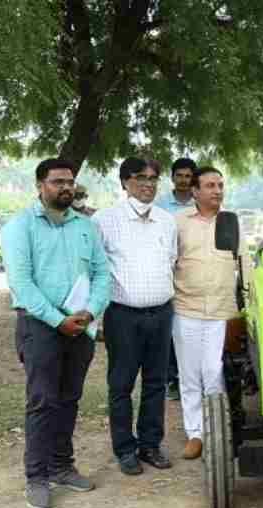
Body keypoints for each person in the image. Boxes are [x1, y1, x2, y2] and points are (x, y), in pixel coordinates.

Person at [0, 158, 111, 508]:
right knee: (42, 401)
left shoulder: (85, 226)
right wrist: (56, 320)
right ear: (40, 186)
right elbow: (21, 283)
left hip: (80, 325)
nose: (66, 187)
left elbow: (102, 274)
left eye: (70, 181)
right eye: (57, 181)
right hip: (39, 326)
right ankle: (36, 476)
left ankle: (62, 466)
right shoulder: (20, 227)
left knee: (69, 398)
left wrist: (90, 311)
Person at [93, 157, 177, 475]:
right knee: (121, 384)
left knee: (156, 383)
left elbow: (170, 260)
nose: (148, 184)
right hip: (123, 316)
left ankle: (150, 445)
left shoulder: (166, 221)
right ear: (125, 182)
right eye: (141, 177)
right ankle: (124, 449)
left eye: (154, 178)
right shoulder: (104, 221)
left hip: (161, 314)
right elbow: (96, 270)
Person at [173, 166, 250, 459]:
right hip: (186, 309)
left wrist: (247, 305)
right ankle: (195, 434)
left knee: (215, 371)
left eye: (220, 185)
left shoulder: (231, 222)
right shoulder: (178, 222)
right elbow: (169, 261)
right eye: (210, 186)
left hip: (223, 311)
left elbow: (244, 265)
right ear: (194, 191)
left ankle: (217, 432)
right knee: (190, 374)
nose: (217, 191)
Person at [156, 157, 198, 401]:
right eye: (179, 176)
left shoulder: (200, 204)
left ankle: (191, 378)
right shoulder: (161, 205)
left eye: (188, 176)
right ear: (172, 178)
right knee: (170, 327)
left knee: (191, 325)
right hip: (167, 273)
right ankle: (172, 379)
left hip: (194, 273)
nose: (183, 181)